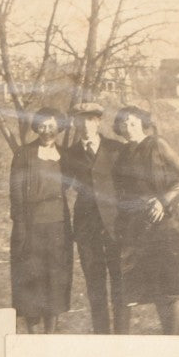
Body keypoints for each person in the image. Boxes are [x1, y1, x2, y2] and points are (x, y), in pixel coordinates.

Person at [113, 105, 179, 335]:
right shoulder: (123, 153)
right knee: (138, 285)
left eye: (133, 121)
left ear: (142, 122)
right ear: (118, 127)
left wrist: (163, 201)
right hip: (135, 227)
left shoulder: (158, 144)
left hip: (164, 225)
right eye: (123, 122)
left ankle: (173, 339)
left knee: (169, 285)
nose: (128, 126)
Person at [61, 102, 127, 334]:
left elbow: (130, 186)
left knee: (121, 285)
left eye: (90, 120)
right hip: (87, 229)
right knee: (95, 286)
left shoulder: (116, 149)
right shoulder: (69, 154)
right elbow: (61, 187)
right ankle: (102, 336)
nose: (86, 125)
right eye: (80, 120)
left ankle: (123, 338)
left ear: (98, 121)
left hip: (116, 226)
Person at [9, 108, 73, 333]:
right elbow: (16, 189)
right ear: (37, 127)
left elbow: (69, 183)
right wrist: (19, 223)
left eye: (52, 126)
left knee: (54, 277)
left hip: (58, 225)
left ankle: (50, 333)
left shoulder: (65, 155)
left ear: (59, 128)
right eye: (43, 126)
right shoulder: (24, 153)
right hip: (30, 224)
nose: (47, 131)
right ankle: (31, 333)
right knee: (31, 277)